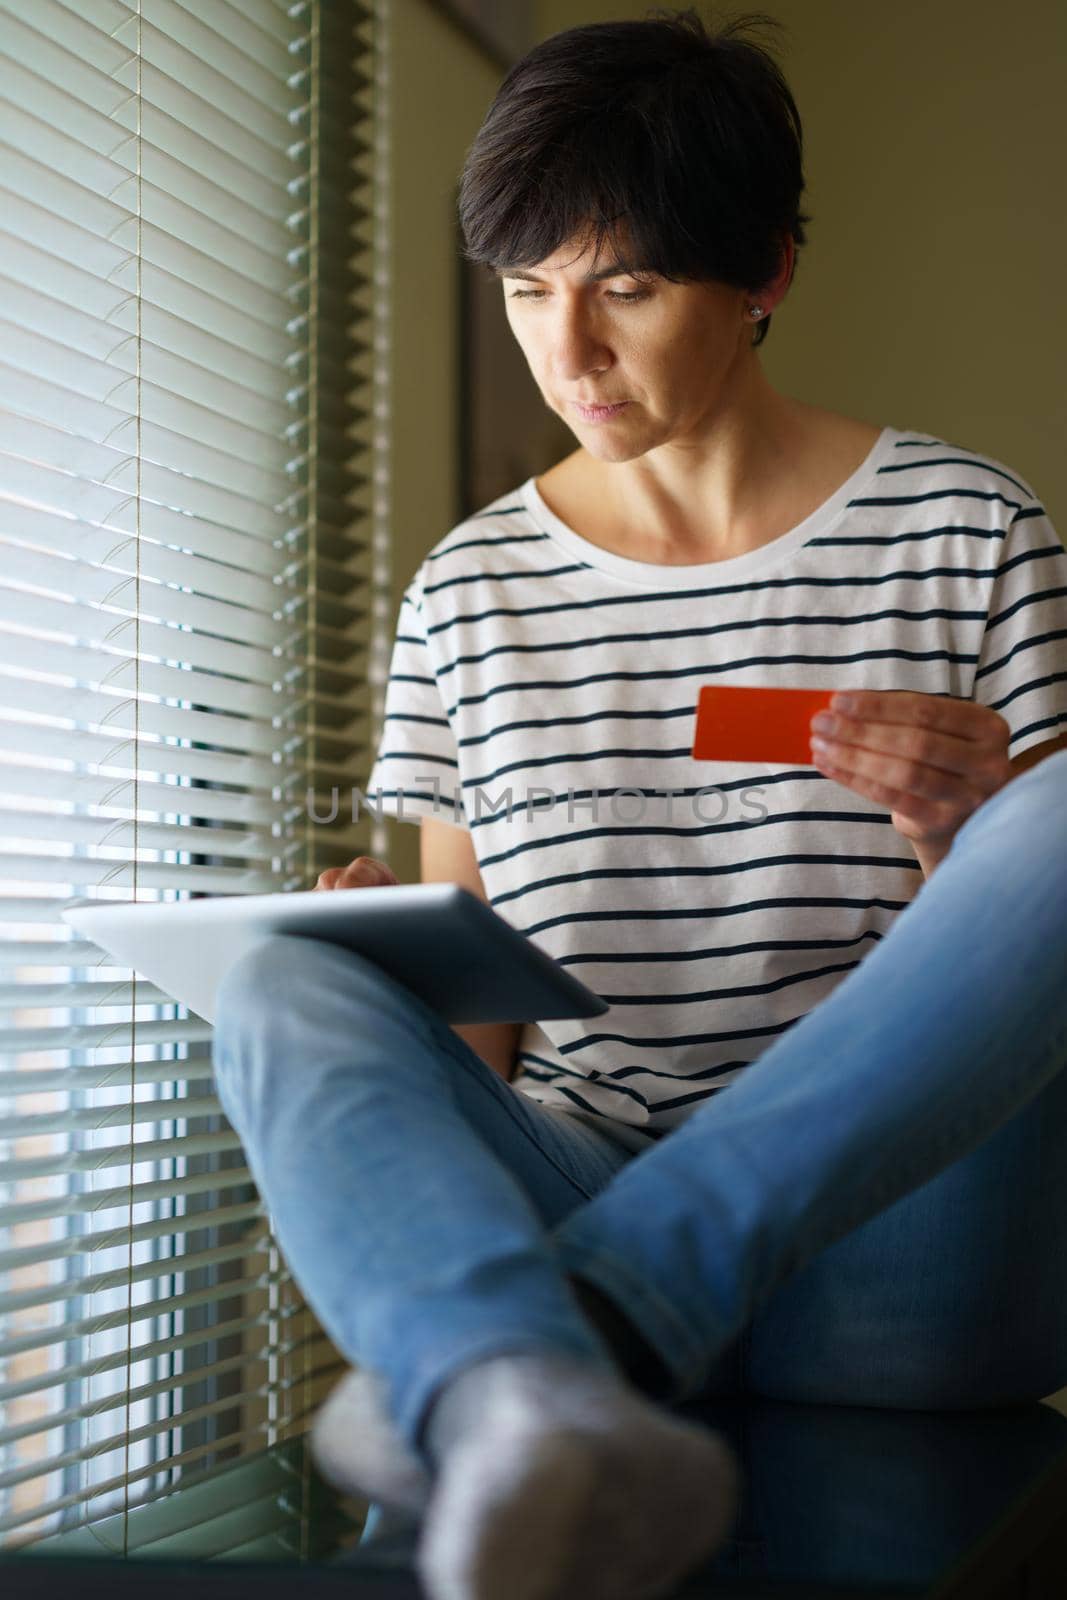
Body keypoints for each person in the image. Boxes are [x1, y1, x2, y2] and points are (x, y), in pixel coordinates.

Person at [210, 10, 1067, 1599]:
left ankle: (574, 1322)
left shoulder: (967, 528)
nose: (569, 354)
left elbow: (1032, 957)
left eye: (627, 287)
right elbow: (484, 1039)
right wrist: (390, 983)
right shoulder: (467, 592)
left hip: (897, 1263)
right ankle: (525, 1377)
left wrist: (972, 829)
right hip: (576, 1189)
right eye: (529, 291)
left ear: (768, 276)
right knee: (277, 975)